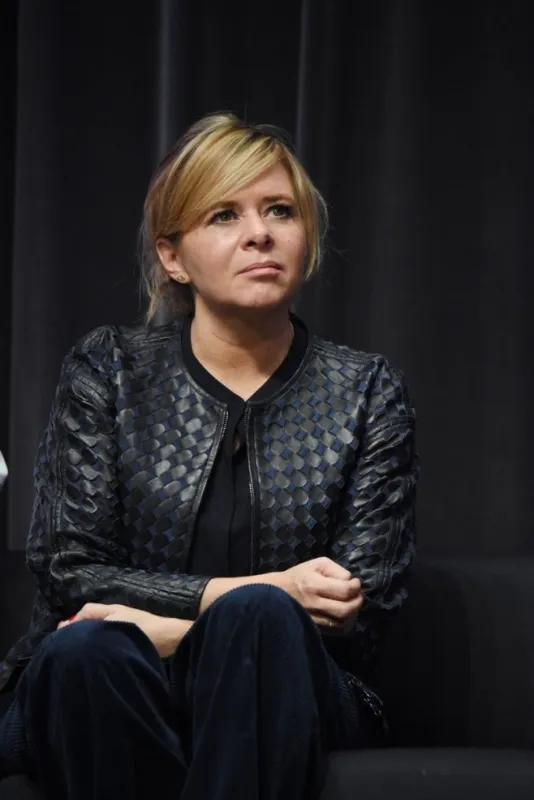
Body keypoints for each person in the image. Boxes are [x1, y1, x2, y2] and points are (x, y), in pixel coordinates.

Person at [0, 113, 418, 800]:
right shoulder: (109, 370)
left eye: (279, 210)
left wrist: (167, 627)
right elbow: (72, 573)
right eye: (224, 215)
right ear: (172, 257)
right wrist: (264, 589)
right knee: (85, 650)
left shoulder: (366, 390)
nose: (260, 233)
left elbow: (357, 604)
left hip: (289, 688)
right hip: (108, 682)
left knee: (261, 622)